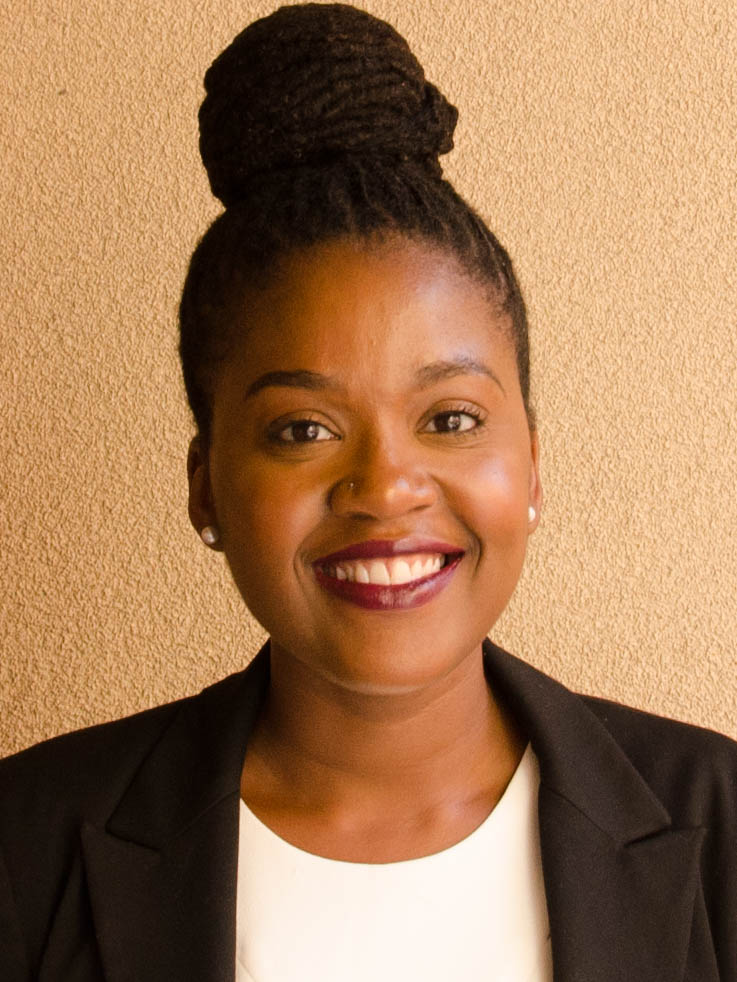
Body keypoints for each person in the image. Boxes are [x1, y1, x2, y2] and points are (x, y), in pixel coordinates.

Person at [0, 4, 735, 980]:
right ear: (206, 488)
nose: (385, 486)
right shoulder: (26, 845)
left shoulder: (719, 826)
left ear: (532, 466)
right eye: (302, 429)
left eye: (450, 419)